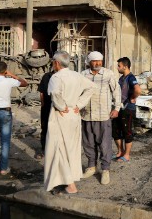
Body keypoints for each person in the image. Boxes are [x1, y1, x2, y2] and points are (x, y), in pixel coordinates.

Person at [44, 50, 96, 194]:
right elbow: (92, 87)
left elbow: (55, 93)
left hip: (61, 115)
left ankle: (70, 184)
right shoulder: (77, 75)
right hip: (74, 114)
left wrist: (61, 106)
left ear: (56, 63)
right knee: (70, 149)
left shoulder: (56, 77)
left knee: (58, 148)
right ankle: (67, 180)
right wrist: (79, 104)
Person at [80, 51, 122, 185]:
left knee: (105, 145)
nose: (97, 63)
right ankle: (91, 167)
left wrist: (116, 108)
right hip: (86, 115)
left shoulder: (108, 74)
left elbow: (117, 91)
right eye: (94, 61)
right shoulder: (82, 75)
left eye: (99, 61)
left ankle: (105, 170)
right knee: (88, 143)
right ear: (89, 62)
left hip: (104, 115)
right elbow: (78, 91)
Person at [114, 57, 141, 163]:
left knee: (127, 132)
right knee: (116, 131)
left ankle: (127, 155)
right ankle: (120, 152)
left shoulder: (131, 77)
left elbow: (138, 90)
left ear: (125, 67)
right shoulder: (121, 78)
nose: (117, 68)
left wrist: (133, 97)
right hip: (119, 108)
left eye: (119, 66)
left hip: (128, 109)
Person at [36, 67, 55, 160]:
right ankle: (44, 150)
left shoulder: (65, 76)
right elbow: (41, 92)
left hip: (59, 109)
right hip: (47, 107)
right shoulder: (46, 76)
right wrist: (43, 105)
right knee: (45, 128)